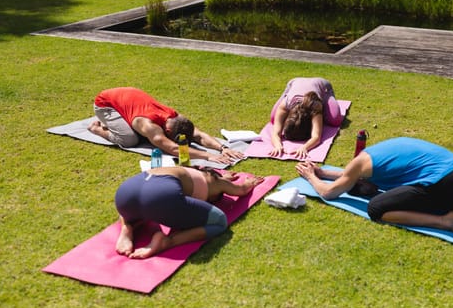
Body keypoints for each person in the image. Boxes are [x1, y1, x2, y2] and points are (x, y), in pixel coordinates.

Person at [295, 137, 453, 236]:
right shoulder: (376, 155)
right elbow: (348, 175)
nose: (373, 190)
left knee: (376, 208)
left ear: (360, 179)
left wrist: (311, 176)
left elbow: (328, 193)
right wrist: (323, 172)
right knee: (422, 192)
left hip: (447, 182)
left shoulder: (358, 165)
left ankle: (446, 221)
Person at [115, 166, 264, 259]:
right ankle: (168, 241)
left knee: (140, 205)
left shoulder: (187, 169)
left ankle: (127, 226)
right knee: (220, 221)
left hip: (126, 192)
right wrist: (249, 183)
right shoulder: (218, 182)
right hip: (160, 196)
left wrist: (223, 179)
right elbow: (241, 190)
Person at [88, 87, 243, 164]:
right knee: (130, 140)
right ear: (167, 130)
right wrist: (209, 155)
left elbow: (199, 135)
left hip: (126, 97)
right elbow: (173, 149)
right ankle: (97, 128)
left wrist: (223, 148)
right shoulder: (150, 126)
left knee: (138, 136)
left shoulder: (176, 118)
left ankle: (113, 122)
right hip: (106, 104)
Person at [269, 77, 343, 159]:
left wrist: (305, 147)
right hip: (294, 82)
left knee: (335, 119)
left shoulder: (314, 107)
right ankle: (287, 93)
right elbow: (275, 132)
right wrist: (277, 145)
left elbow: (316, 137)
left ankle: (326, 96)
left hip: (324, 86)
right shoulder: (286, 104)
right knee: (273, 118)